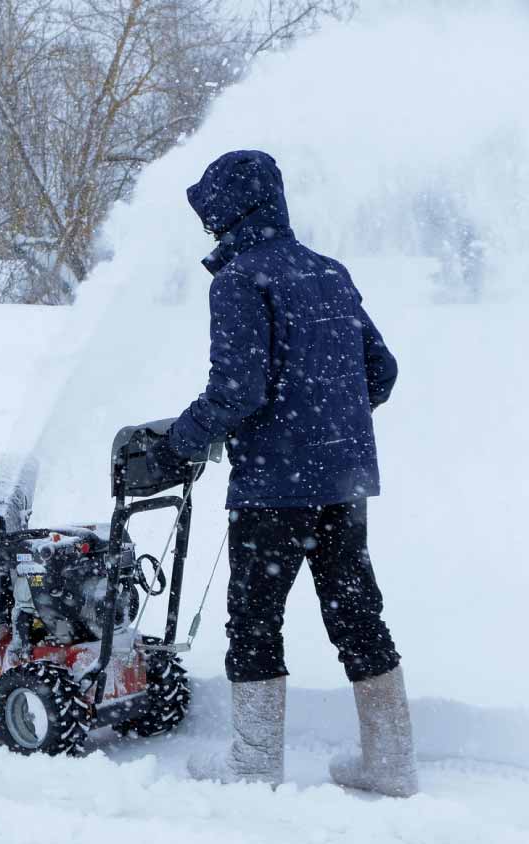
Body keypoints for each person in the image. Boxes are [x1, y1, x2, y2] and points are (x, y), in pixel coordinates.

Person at [147, 150, 418, 797]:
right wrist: (330, 425)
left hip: (274, 487)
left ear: (229, 212)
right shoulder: (330, 273)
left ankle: (255, 762)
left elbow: (238, 391)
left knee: (255, 616)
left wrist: (179, 441)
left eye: (210, 216)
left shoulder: (240, 280)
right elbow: (381, 371)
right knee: (355, 611)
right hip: (343, 482)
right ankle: (391, 761)